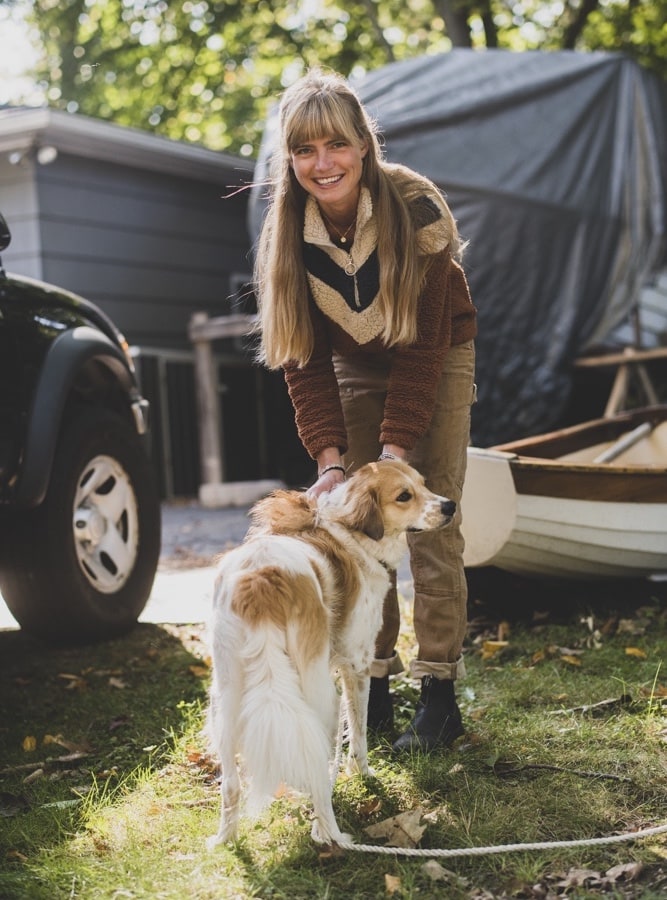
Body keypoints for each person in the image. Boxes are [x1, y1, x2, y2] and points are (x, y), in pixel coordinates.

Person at [253, 68, 477, 753]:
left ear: (363, 146)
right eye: (303, 151)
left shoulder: (415, 209)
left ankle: (437, 695)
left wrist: (396, 453)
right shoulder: (289, 232)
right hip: (352, 357)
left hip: (433, 352)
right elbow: (303, 359)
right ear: (290, 160)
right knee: (357, 525)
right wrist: (329, 461)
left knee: (427, 523)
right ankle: (370, 688)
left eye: (336, 146)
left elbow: (421, 349)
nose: (322, 164)